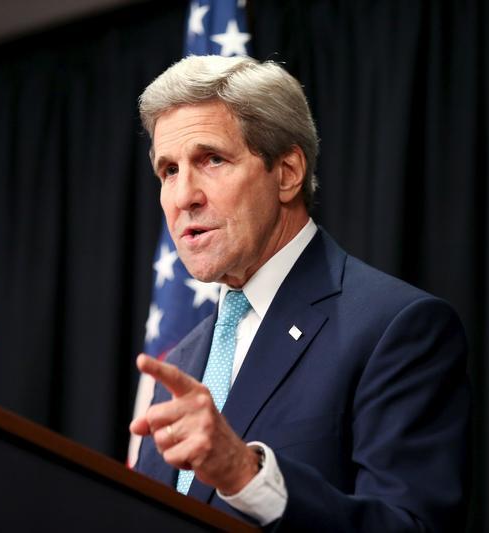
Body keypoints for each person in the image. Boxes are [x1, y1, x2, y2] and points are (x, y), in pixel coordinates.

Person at [130, 54, 471, 531]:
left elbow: (410, 525)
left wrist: (248, 475)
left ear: (287, 172)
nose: (184, 195)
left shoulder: (397, 328)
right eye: (168, 170)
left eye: (211, 159)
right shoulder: (182, 362)